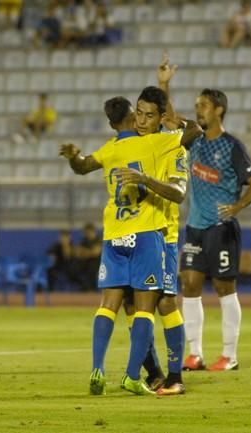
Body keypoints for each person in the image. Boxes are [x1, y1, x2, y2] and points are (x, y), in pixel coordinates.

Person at [60, 96, 196, 396]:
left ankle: (173, 376)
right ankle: (151, 373)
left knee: (163, 303)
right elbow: (194, 130)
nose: (142, 120)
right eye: (140, 114)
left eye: (149, 115)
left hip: (157, 231)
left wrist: (74, 158)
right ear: (133, 115)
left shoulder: (146, 144)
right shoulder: (149, 143)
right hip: (146, 232)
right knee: (138, 305)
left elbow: (83, 166)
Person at [180, 88, 251, 372]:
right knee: (190, 285)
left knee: (223, 287)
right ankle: (195, 354)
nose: (198, 110)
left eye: (203, 105)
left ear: (218, 110)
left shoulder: (232, 147)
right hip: (194, 226)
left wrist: (238, 207)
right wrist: (163, 83)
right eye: (196, 105)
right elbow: (167, 118)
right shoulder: (194, 142)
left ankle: (230, 355)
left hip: (221, 227)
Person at [75, 223, 102, 292]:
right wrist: (89, 253)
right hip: (85, 262)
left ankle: (92, 290)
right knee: (74, 269)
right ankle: (85, 288)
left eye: (88, 232)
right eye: (85, 232)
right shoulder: (84, 240)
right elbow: (78, 253)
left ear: (93, 231)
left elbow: (96, 253)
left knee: (91, 269)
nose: (86, 234)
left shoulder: (98, 239)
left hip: (98, 263)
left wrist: (85, 253)